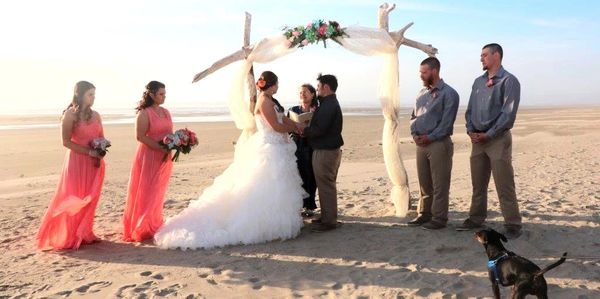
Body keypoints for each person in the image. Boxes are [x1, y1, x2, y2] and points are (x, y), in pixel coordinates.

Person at [154, 71, 306, 250]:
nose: (278, 87)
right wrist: (295, 129)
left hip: (280, 147)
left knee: (281, 186)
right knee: (266, 185)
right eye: (277, 83)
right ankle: (265, 224)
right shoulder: (264, 101)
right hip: (270, 147)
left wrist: (295, 125)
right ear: (271, 84)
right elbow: (275, 126)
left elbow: (283, 119)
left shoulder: (271, 100)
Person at [456, 43, 523, 239]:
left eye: (484, 55)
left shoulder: (509, 81)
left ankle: (513, 224)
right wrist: (470, 130)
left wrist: (490, 134)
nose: (481, 58)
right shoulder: (478, 82)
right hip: (477, 140)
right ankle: (476, 218)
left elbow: (508, 114)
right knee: (478, 183)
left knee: (504, 183)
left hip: (497, 139)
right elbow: (470, 110)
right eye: (481, 55)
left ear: (497, 56)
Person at [36, 81, 106, 250]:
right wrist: (89, 152)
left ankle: (85, 231)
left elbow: (101, 137)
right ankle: (69, 233)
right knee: (74, 196)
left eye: (94, 95)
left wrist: (101, 148)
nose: (93, 98)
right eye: (90, 95)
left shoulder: (96, 115)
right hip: (76, 161)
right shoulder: (70, 115)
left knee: (90, 197)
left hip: (94, 162)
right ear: (80, 95)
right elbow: (66, 142)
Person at [406, 57, 459, 230]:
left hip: (438, 143)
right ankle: (424, 214)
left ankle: (439, 218)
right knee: (424, 183)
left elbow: (446, 123)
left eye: (424, 72)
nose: (421, 75)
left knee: (440, 183)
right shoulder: (421, 93)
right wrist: (414, 134)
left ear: (434, 71)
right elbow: (414, 117)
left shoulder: (449, 93)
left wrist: (430, 137)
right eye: (420, 72)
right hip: (420, 144)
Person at [122, 81, 174, 242]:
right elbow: (140, 136)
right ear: (151, 95)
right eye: (161, 94)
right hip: (149, 156)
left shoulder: (165, 112)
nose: (164, 97)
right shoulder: (144, 113)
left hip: (165, 156)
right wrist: (160, 147)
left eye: (165, 94)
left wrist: (176, 143)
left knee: (158, 190)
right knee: (146, 190)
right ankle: (142, 226)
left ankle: (154, 221)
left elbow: (169, 133)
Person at [302, 74, 344, 232]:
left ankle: (330, 221)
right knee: (324, 184)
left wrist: (304, 130)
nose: (317, 89)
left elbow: (321, 129)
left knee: (326, 185)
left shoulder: (329, 105)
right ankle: (327, 216)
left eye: (318, 87)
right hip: (325, 148)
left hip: (326, 150)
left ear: (326, 87)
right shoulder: (327, 103)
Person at [289, 84, 318, 218]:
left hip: (311, 145)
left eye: (305, 92)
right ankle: (298, 205)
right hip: (296, 144)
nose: (302, 94)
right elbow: (287, 127)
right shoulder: (293, 109)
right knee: (297, 175)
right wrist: (295, 128)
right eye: (300, 92)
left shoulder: (317, 110)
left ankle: (310, 206)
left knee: (310, 176)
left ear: (312, 94)